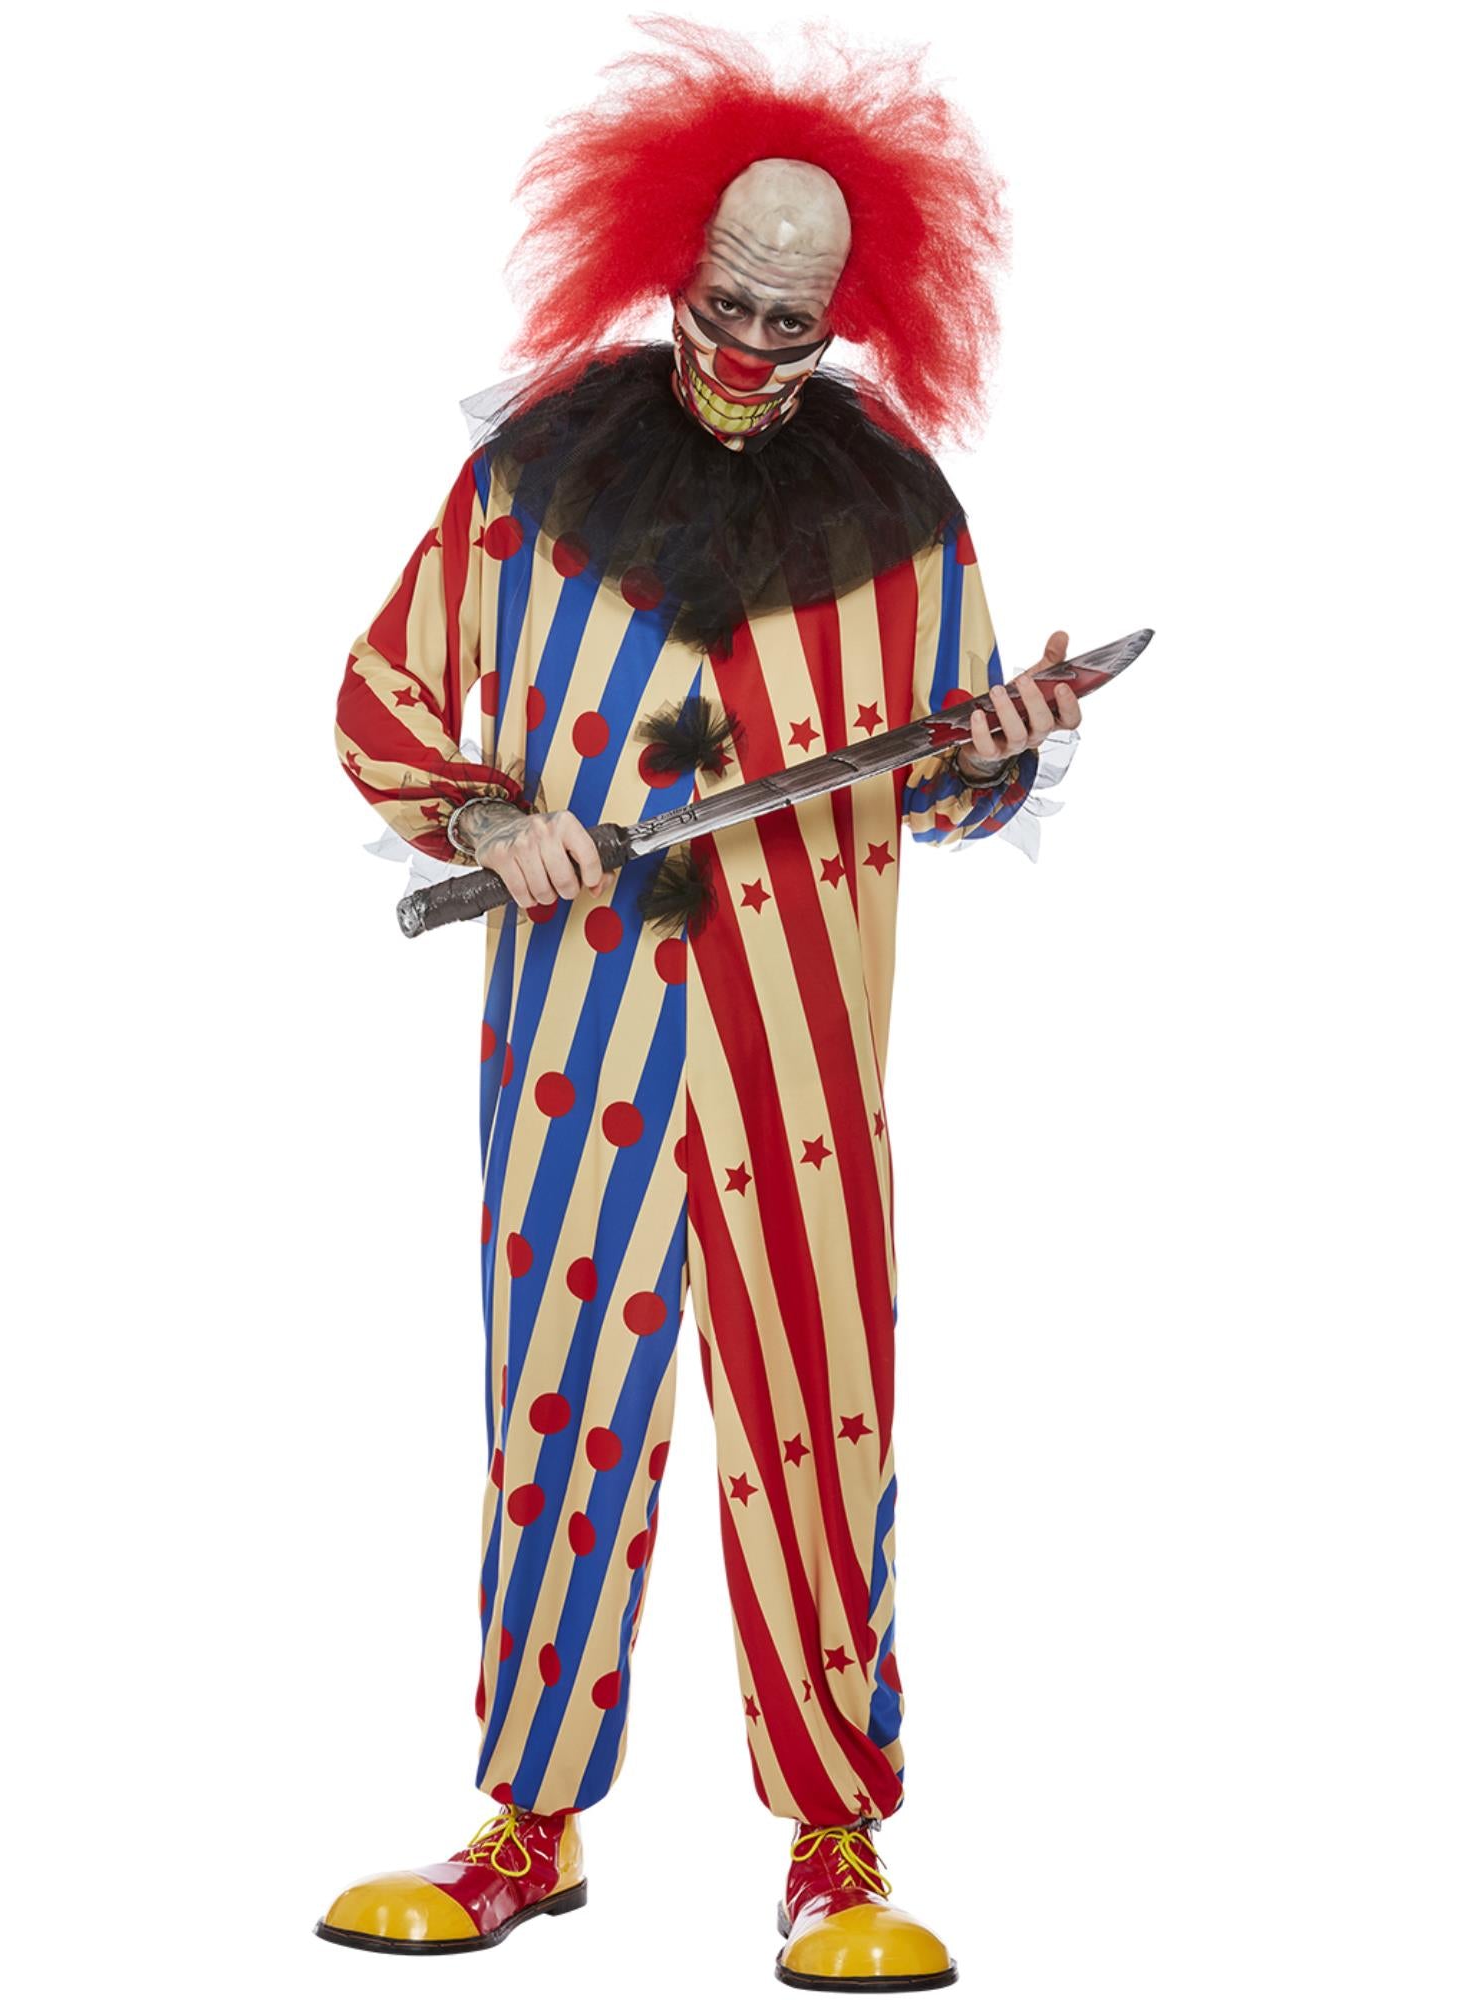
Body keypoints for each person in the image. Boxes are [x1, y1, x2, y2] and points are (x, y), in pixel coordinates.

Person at [317, 18, 1082, 1989]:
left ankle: (836, 1838)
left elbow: (951, 785)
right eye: (724, 304)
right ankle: (529, 1817)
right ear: (671, 268)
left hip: (799, 1056)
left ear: (844, 317)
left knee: (824, 1416)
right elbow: (384, 700)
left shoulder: (900, 515)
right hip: (573, 1042)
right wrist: (490, 814)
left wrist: (1002, 745)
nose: (747, 348)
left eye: (788, 322)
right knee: (554, 1407)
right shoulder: (531, 476)